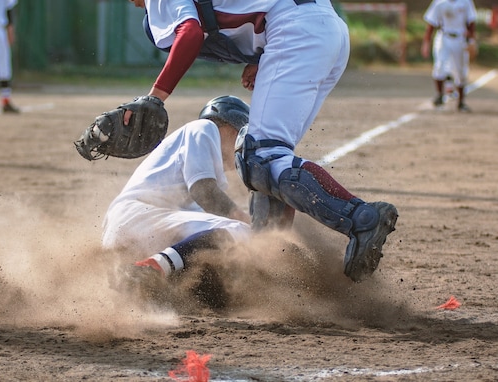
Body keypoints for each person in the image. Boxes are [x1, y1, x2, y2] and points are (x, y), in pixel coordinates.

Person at [127, 0, 398, 282]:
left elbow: (191, 32)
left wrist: (155, 98)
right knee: (269, 158)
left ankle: (362, 218)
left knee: (262, 158)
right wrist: (261, 57)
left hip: (295, 29)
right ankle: (268, 261)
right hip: (322, 27)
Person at [102, 96, 251, 278]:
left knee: (212, 256)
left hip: (137, 231)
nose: (240, 147)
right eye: (241, 136)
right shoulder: (204, 128)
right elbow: (204, 192)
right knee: (240, 230)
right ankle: (149, 270)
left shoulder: (193, 163)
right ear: (232, 125)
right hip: (140, 216)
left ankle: (145, 279)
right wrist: (249, 222)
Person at [421, 0, 477, 112]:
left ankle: (461, 102)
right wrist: (426, 42)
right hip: (444, 36)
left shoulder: (465, 2)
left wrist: (471, 39)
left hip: (460, 38)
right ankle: (439, 95)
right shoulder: (439, 3)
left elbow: (471, 21)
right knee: (439, 66)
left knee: (460, 70)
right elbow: (431, 23)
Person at [0, 0, 19, 113]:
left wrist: (10, 29)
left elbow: (9, 8)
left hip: (0, 27)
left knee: (4, 65)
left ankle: (6, 101)